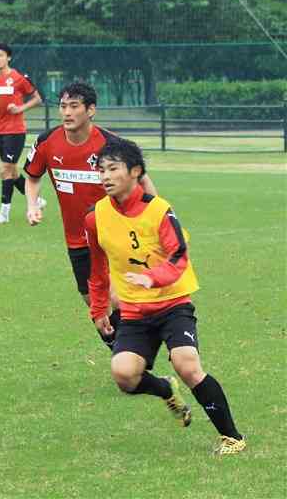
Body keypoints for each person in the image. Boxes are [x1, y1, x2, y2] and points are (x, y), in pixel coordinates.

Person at [85, 138, 246, 455]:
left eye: (113, 169)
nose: (104, 176)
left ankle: (232, 437)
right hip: (133, 311)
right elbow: (97, 266)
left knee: (187, 364)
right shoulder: (95, 217)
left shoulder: (159, 210)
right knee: (124, 375)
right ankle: (165, 389)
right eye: (100, 170)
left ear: (135, 172)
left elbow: (179, 257)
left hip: (173, 304)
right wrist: (99, 307)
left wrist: (151, 277)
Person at [23, 82, 157, 348]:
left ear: (91, 110)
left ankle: (132, 355)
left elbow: (143, 183)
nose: (67, 113)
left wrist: (159, 215)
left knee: (117, 298)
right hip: (77, 240)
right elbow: (32, 177)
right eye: (63, 106)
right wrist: (32, 205)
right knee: (94, 303)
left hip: (114, 234)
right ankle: (123, 350)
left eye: (74, 106)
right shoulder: (47, 142)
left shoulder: (112, 145)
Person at [0, 43, 46, 224]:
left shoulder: (19, 78)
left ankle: (4, 213)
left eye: (0, 56)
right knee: (12, 171)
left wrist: (20, 108)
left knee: (4, 170)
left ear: (8, 58)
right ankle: (37, 200)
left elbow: (37, 99)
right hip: (0, 131)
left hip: (16, 131)